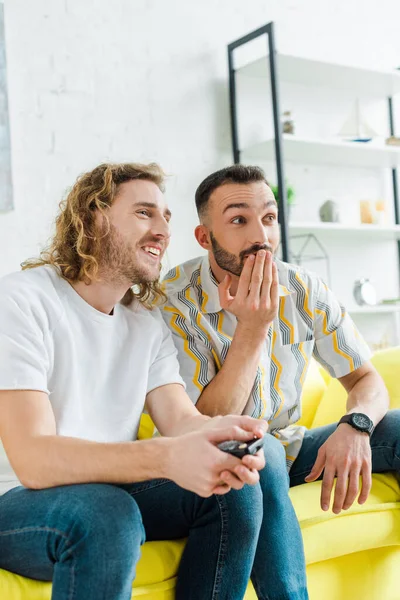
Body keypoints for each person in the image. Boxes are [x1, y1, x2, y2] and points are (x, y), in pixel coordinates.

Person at [0, 162, 270, 600]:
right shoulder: (22, 300)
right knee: (107, 512)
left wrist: (227, 436)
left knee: (233, 491)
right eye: (145, 213)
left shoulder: (145, 324)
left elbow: (181, 420)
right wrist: (165, 457)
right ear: (93, 220)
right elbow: (33, 460)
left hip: (110, 490)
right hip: (17, 500)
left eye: (166, 217)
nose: (162, 230)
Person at [162, 164, 400, 600]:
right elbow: (204, 424)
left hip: (293, 449)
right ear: (203, 237)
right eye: (239, 220)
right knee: (261, 446)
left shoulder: (303, 287)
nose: (262, 235)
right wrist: (252, 330)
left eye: (269, 218)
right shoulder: (175, 302)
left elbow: (367, 379)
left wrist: (356, 425)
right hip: (218, 459)